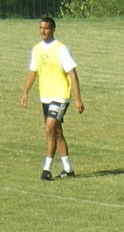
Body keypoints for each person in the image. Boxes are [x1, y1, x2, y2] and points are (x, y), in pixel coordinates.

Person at [20, 16, 84, 181]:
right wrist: (25, 92)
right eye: (41, 28)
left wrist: (77, 98)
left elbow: (72, 73)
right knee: (56, 132)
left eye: (46, 28)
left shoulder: (61, 49)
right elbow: (33, 72)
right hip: (45, 97)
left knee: (49, 129)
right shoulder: (36, 49)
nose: (43, 31)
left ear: (53, 29)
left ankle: (46, 169)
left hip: (61, 96)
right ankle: (68, 169)